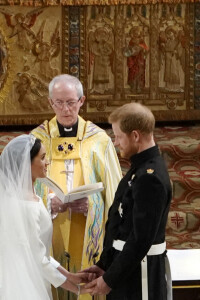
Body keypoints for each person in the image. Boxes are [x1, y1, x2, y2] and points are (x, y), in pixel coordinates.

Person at [31, 74, 122, 300]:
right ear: (50, 102)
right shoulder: (36, 140)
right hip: (51, 229)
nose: (65, 109)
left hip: (89, 227)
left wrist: (93, 205)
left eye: (71, 102)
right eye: (59, 102)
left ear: (82, 100)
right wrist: (48, 203)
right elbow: (23, 189)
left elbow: (115, 193)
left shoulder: (99, 140)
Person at [82, 103, 172, 300]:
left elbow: (141, 240)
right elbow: (119, 224)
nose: (116, 142)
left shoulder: (150, 177)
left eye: (119, 136)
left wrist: (110, 280)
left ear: (135, 136)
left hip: (140, 276)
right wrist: (104, 264)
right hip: (126, 269)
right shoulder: (140, 168)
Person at [0, 135, 90, 299]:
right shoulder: (26, 204)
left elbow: (41, 254)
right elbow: (39, 260)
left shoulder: (29, 195)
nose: (47, 162)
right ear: (26, 164)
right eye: (42, 158)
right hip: (24, 284)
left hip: (31, 277)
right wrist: (78, 289)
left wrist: (70, 276)